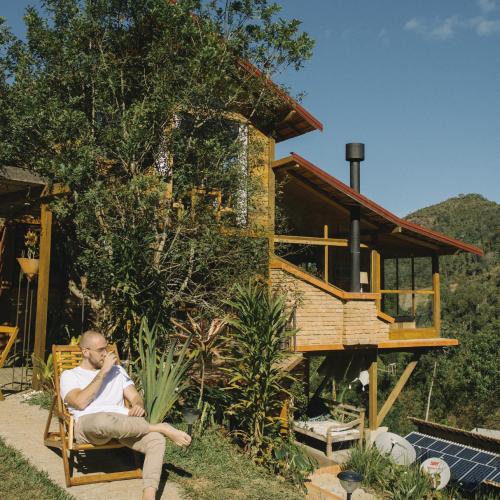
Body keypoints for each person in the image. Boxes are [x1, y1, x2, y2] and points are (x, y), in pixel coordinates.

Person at [60, 330, 191, 500]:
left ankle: (149, 495)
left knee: (156, 440)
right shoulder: (70, 375)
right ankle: (159, 426)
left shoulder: (118, 371)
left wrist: (138, 404)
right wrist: (103, 373)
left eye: (106, 348)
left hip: (122, 424)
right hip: (90, 424)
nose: (106, 354)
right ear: (85, 351)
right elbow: (79, 402)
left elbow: (135, 396)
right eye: (100, 350)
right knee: (104, 420)